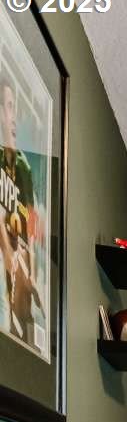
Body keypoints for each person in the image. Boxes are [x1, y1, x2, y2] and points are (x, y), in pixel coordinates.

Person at [0, 75, 38, 350]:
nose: (12, 116)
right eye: (8, 106)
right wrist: (12, 258)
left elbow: (31, 228)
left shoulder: (23, 167)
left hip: (19, 269)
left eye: (13, 106)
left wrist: (30, 272)